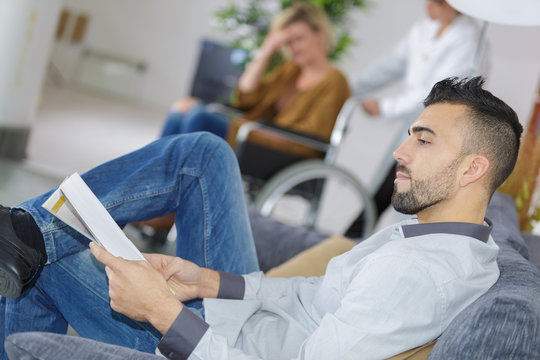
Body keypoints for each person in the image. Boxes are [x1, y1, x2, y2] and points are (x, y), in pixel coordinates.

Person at [0, 77, 523, 359]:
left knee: (42, 260)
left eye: (423, 139)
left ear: (472, 168)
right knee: (204, 154)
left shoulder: (419, 275)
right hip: (237, 321)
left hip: (209, 346)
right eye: (409, 133)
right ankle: (23, 234)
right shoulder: (445, 242)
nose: (400, 152)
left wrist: (162, 311)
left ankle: (22, 235)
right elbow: (311, 295)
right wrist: (209, 280)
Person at [345, 0, 489, 237]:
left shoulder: (469, 40)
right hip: (414, 126)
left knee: (404, 195)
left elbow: (436, 92)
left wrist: (384, 107)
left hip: (439, 132)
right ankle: (349, 240)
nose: (428, 6)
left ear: (456, 5)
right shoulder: (425, 28)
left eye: (438, 3)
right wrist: (352, 86)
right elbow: (390, 64)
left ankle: (353, 239)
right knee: (387, 189)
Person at [161, 1, 350, 157]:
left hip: (284, 150)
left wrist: (253, 129)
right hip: (255, 134)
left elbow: (311, 138)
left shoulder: (335, 81)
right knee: (181, 111)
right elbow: (246, 97)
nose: (294, 47)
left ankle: (165, 189)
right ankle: (152, 186)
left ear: (320, 35)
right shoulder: (289, 70)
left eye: (299, 38)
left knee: (199, 116)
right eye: (289, 42)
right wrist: (266, 51)